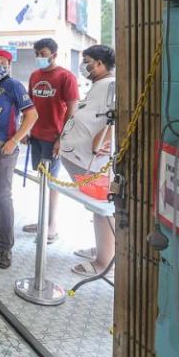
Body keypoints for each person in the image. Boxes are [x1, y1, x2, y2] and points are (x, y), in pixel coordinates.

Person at [0, 49, 38, 269]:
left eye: (3, 62)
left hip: (4, 152)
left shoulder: (14, 86)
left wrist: (15, 139)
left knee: (3, 197)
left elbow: (32, 114)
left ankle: (6, 248)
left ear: (9, 65)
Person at [59, 44, 117, 277]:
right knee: (96, 209)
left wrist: (105, 141)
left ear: (101, 64)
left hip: (91, 160)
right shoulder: (100, 85)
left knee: (102, 209)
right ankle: (104, 248)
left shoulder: (111, 85)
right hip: (80, 155)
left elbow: (116, 116)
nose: (84, 67)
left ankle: (104, 260)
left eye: (88, 62)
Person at [25, 37, 80, 241]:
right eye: (37, 54)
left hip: (54, 137)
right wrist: (26, 131)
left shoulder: (66, 77)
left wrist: (61, 139)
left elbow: (72, 110)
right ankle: (42, 220)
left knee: (52, 182)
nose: (39, 57)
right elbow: (29, 106)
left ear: (54, 55)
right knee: (41, 179)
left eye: (43, 54)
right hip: (36, 136)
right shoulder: (34, 76)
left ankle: (52, 225)